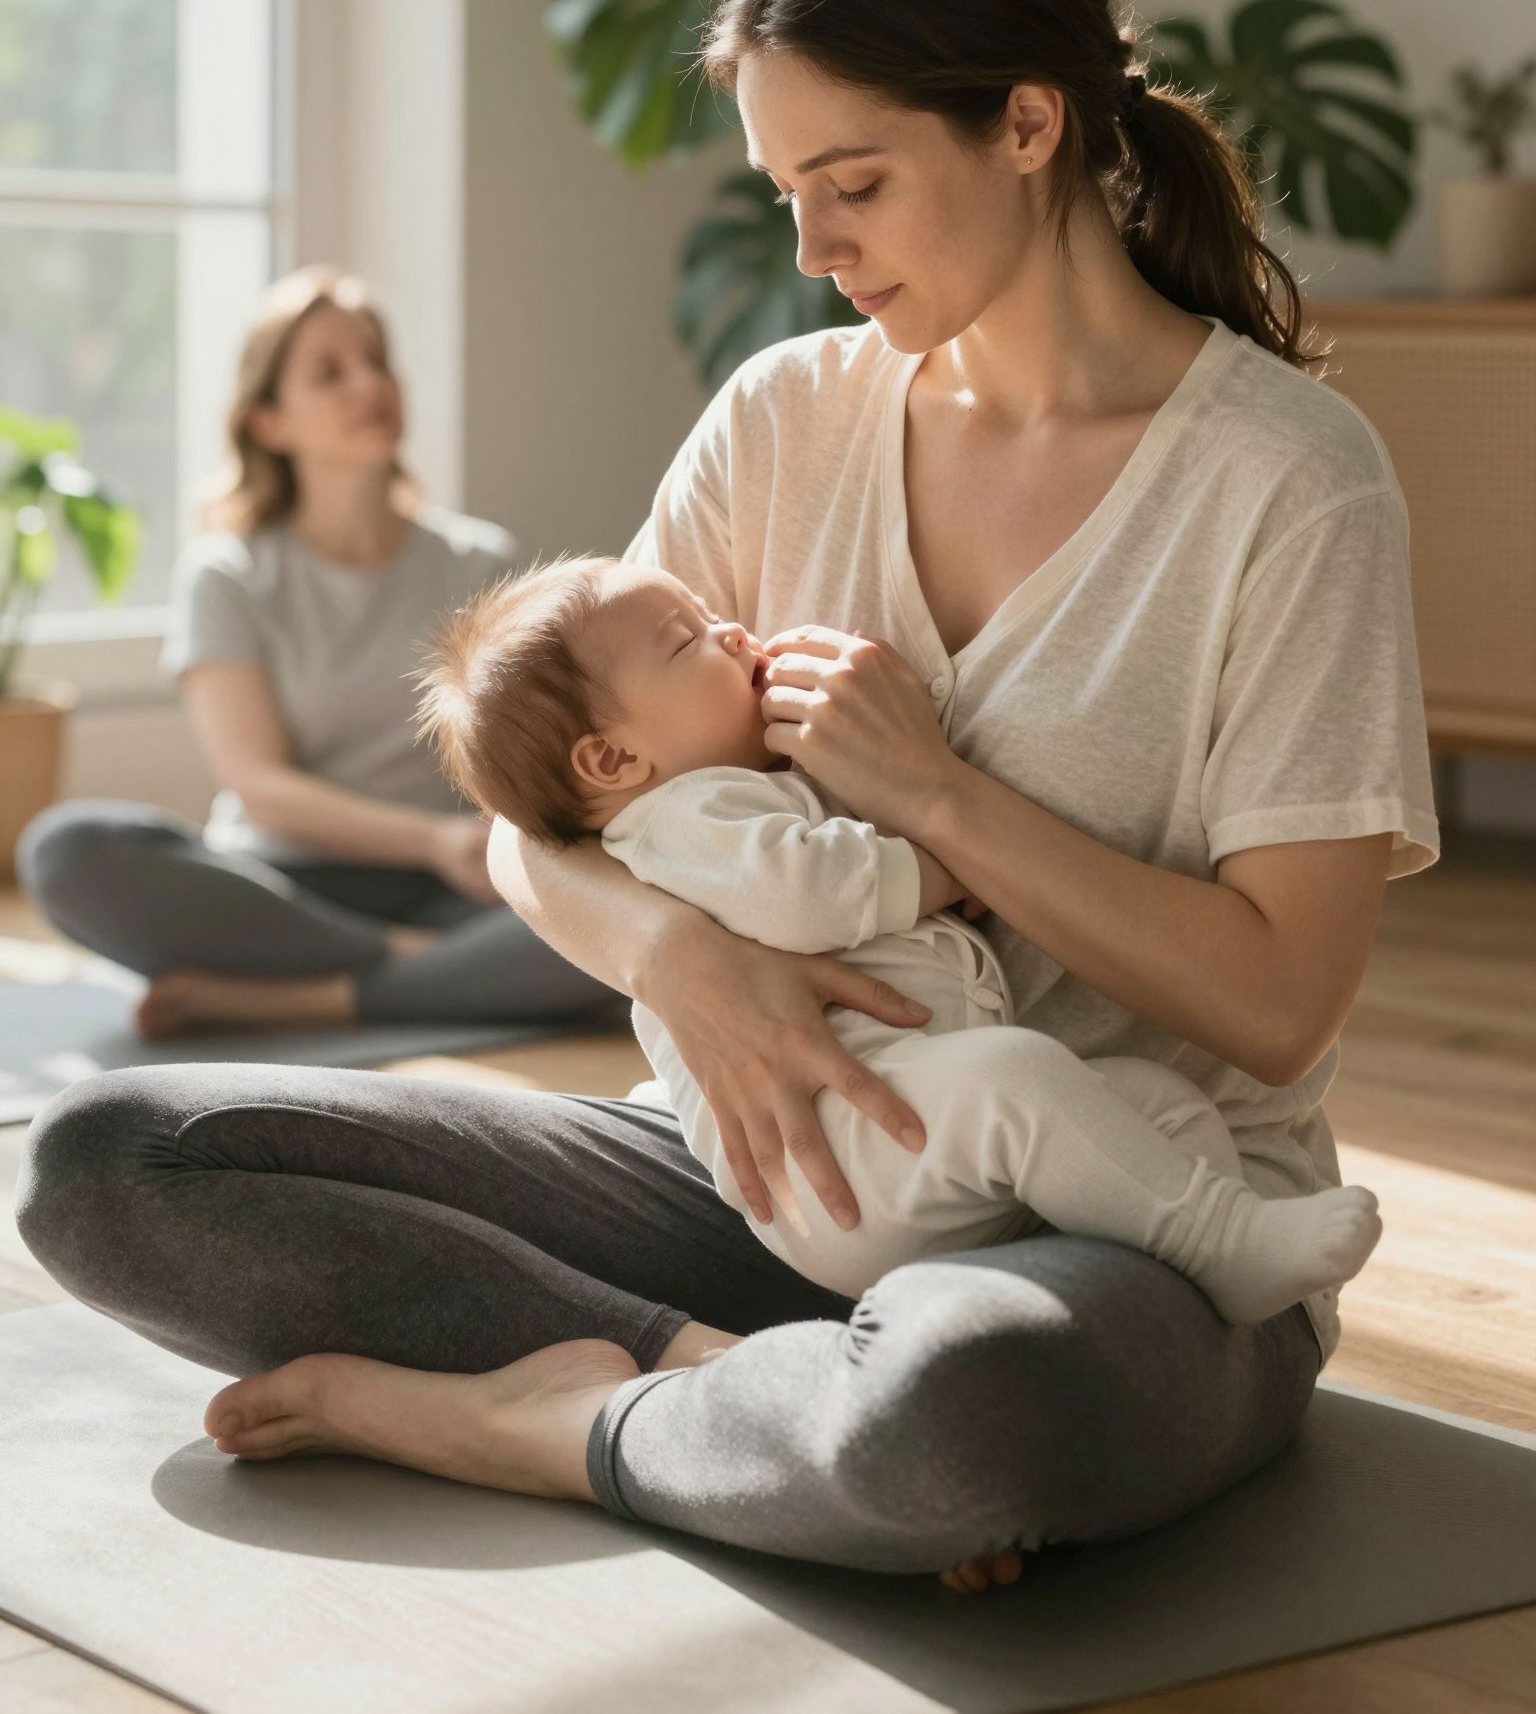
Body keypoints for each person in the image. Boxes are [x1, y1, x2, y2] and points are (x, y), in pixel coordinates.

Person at [15, 0, 1439, 1594]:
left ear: (1028, 125)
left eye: (852, 184)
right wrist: (684, 963)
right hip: (768, 1158)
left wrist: (937, 796)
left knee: (965, 1404)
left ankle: (544, 1422)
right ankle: (701, 1380)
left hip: (1118, 1220)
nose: (811, 248)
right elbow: (533, 813)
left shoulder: (1284, 479)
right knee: (113, 1161)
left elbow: (1281, 993)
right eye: (784, 191)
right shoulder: (783, 417)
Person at [413, 549, 1383, 1321]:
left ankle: (1210, 1247)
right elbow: (803, 890)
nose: (734, 630)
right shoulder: (679, 820)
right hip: (844, 1157)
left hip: (909, 1135)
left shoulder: (726, 792)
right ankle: (1217, 1245)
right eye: (691, 638)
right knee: (1018, 1075)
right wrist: (941, 865)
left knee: (1149, 1101)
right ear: (613, 755)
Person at [16, 263, 629, 1041]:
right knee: (65, 851)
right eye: (330, 372)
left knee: (627, 910)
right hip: (277, 888)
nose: (368, 384)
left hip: (456, 887)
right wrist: (432, 841)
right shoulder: (228, 572)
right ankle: (422, 968)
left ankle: (298, 998)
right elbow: (261, 787)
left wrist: (501, 854)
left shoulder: (480, 564)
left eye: (377, 359)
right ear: (270, 421)